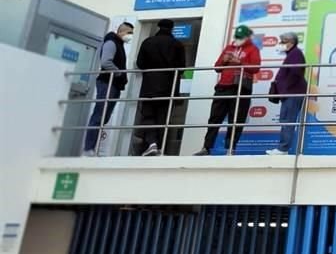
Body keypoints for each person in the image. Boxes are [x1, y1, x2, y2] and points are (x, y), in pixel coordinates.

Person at [195, 25, 261, 155]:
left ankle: (230, 148)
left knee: (236, 119)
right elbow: (217, 67)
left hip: (240, 88)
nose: (238, 39)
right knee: (214, 118)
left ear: (248, 37)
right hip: (223, 86)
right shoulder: (229, 48)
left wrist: (240, 62)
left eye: (241, 37)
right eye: (237, 37)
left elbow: (256, 68)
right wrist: (224, 61)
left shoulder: (253, 49)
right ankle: (206, 148)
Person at [135, 19, 186, 157]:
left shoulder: (148, 42)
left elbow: (140, 63)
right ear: (172, 28)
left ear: (158, 27)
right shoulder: (177, 44)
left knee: (148, 115)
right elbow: (181, 68)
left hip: (150, 84)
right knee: (162, 117)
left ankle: (152, 143)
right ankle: (159, 147)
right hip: (168, 85)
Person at [82, 22, 134, 156]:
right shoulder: (111, 42)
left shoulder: (118, 44)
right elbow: (105, 62)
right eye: (129, 33)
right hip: (107, 82)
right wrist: (118, 73)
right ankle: (89, 148)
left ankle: (92, 147)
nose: (130, 36)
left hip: (114, 84)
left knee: (104, 116)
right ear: (122, 31)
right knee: (99, 114)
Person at [266, 32, 307, 156]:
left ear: (291, 42)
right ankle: (282, 148)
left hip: (293, 93)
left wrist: (285, 87)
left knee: (288, 120)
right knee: (286, 119)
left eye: (283, 42)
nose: (280, 44)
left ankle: (283, 149)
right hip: (290, 92)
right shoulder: (292, 54)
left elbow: (296, 73)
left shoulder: (295, 53)